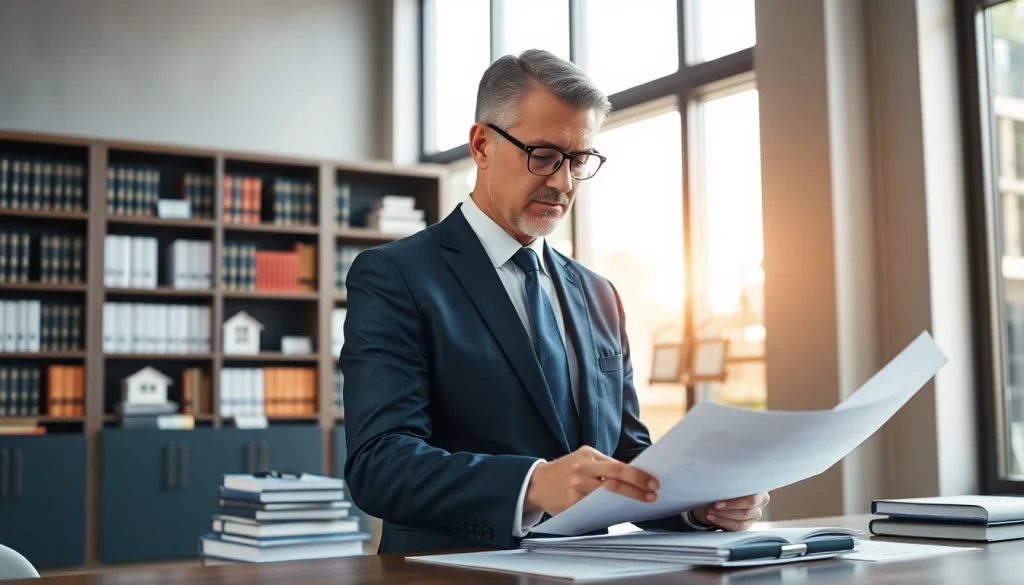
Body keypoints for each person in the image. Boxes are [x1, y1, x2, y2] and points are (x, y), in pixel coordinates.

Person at [339, 48, 769, 555]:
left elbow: (625, 454)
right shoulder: (396, 275)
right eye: (543, 155)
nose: (563, 183)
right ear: (481, 144)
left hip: (590, 570)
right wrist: (532, 484)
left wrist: (696, 503)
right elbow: (380, 464)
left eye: (579, 160)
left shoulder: (598, 293)